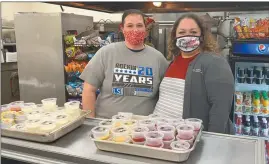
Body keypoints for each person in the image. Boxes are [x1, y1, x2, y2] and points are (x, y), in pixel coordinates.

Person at [154, 13, 235, 134]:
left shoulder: (214, 63)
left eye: (193, 32)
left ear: (202, 36)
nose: (187, 36)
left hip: (186, 136)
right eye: (181, 32)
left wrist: (212, 141)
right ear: (174, 36)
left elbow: (220, 109)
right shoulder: (172, 62)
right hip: (161, 134)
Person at [80, 9, 168, 118]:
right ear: (122, 28)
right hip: (107, 126)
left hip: (143, 128)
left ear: (146, 29)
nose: (135, 30)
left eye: (139, 25)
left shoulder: (158, 58)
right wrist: (90, 122)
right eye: (130, 26)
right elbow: (89, 90)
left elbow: (167, 93)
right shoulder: (106, 53)